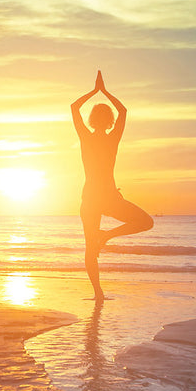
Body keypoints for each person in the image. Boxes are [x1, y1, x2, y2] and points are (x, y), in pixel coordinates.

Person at [71, 71, 153, 299]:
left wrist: (94, 92)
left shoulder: (85, 137)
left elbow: (74, 107)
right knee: (146, 222)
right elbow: (124, 111)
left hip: (91, 198)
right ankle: (107, 236)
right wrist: (105, 92)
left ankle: (98, 293)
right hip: (107, 196)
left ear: (92, 120)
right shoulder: (112, 138)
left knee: (90, 247)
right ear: (110, 121)